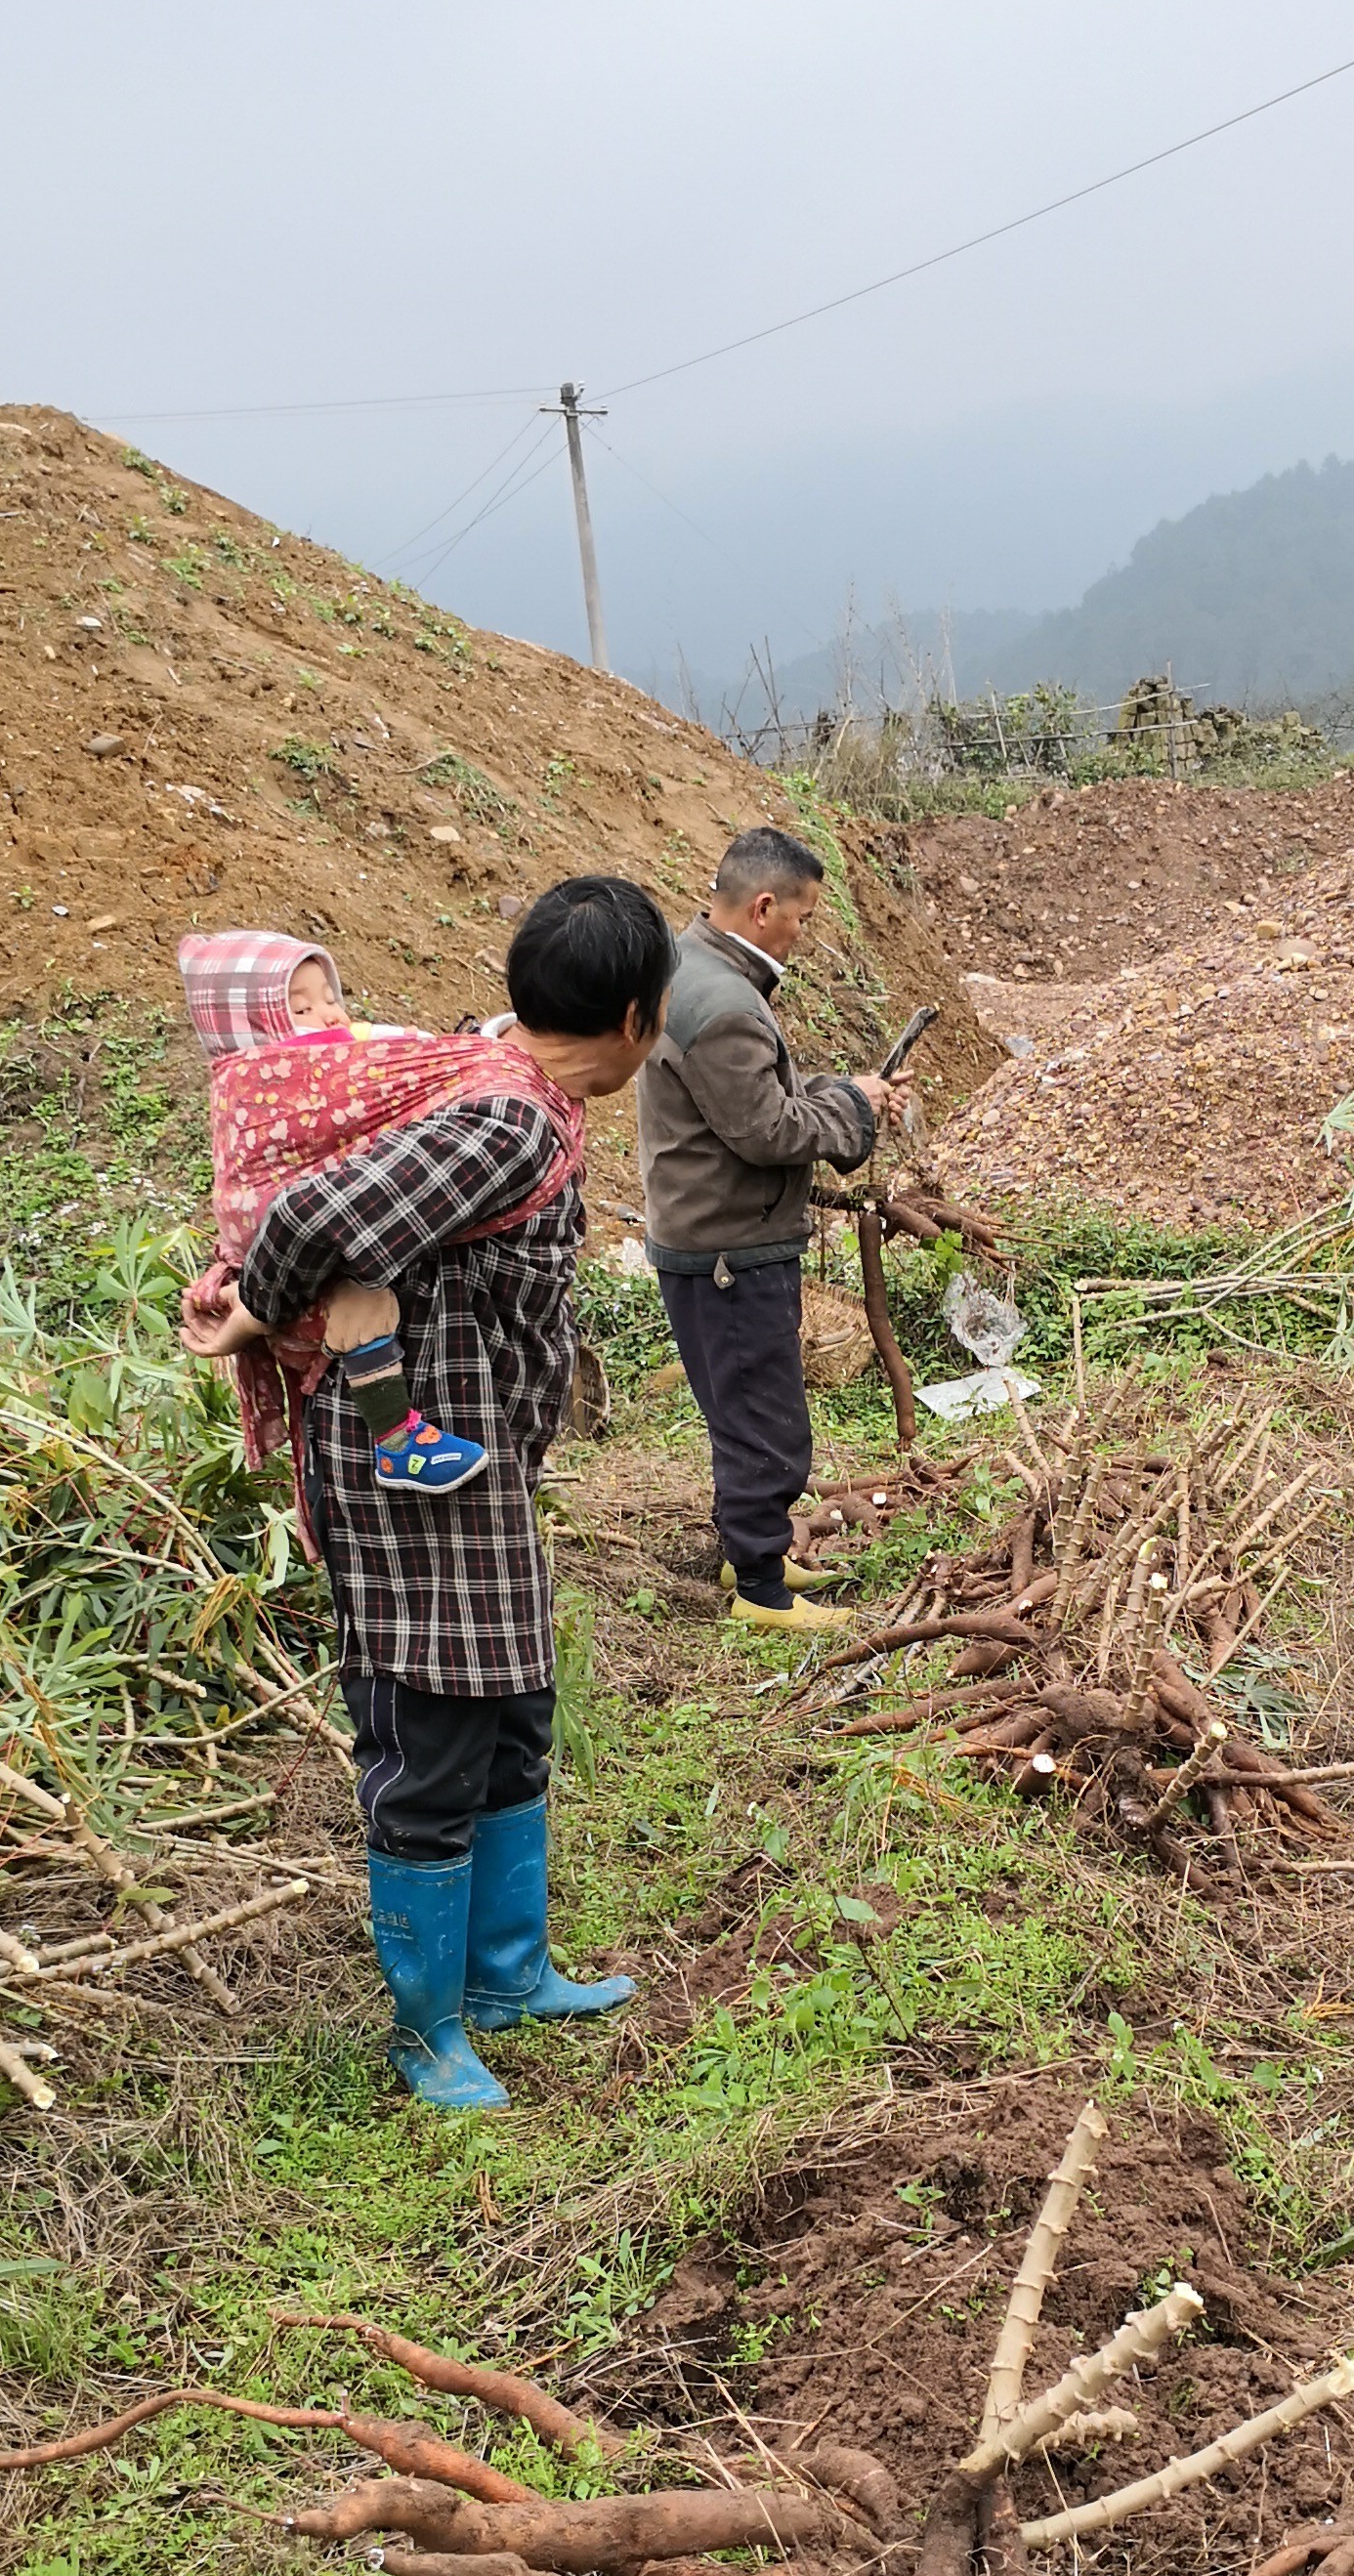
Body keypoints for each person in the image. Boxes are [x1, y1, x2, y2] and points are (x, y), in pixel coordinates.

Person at [186, 876, 673, 2113]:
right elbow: (313, 1209)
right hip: (408, 1480)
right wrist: (255, 1308)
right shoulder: (507, 1121)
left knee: (511, 1712)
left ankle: (510, 1976)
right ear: (634, 1016)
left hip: (476, 1471)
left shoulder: (500, 1081)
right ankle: (428, 2029)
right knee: (429, 1735)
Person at [637, 824, 907, 1626]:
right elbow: (768, 1132)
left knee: (742, 1407)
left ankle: (750, 1552)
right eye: (803, 916)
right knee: (767, 1418)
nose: (805, 933)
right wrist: (854, 1108)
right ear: (763, 907)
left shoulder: (693, 969)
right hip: (732, 1246)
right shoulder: (724, 1004)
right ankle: (759, 1589)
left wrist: (838, 1089)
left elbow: (754, 1102)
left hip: (707, 1234)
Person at [179, 930, 540, 1505]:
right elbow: (266, 1182)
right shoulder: (258, 1083)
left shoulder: (343, 1062)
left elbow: (398, 1072)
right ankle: (397, 1439)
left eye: (329, 997)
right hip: (283, 1251)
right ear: (254, 1027)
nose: (324, 1014)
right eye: (298, 1007)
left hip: (298, 1244)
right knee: (363, 1305)